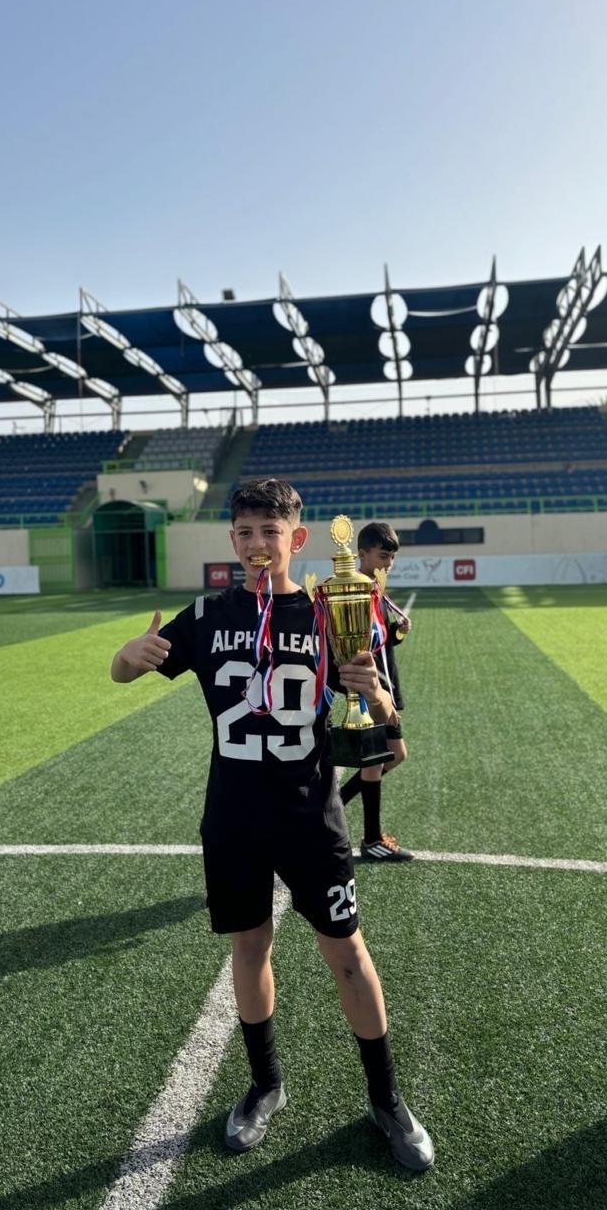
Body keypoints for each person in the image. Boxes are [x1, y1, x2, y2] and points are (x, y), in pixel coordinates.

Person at [110, 479, 433, 1171]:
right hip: (233, 817)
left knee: (347, 953)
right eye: (245, 532)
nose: (257, 544)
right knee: (249, 948)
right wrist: (127, 657)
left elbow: (383, 715)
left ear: (298, 538)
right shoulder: (206, 614)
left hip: (311, 815)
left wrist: (374, 695)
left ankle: (386, 1098)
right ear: (232, 539)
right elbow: (122, 671)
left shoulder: (330, 612)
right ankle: (265, 1085)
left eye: (270, 531)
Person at [339, 521, 413, 863]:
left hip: (386, 688)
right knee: (378, 761)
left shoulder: (376, 589)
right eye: (383, 556)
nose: (389, 564)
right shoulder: (357, 592)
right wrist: (373, 690)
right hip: (371, 690)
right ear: (362, 554)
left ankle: (334, 806)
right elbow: (354, 645)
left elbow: (379, 642)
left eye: (392, 558)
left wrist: (397, 633)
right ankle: (371, 840)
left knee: (395, 756)